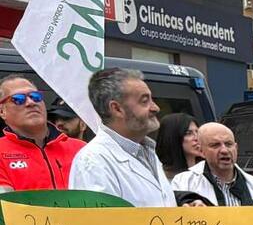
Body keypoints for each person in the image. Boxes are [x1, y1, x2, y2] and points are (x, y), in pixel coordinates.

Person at [68, 68, 175, 206]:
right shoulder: (93, 161)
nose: (155, 108)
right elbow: (100, 224)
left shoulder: (147, 152)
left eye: (151, 99)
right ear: (117, 109)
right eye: (144, 101)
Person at [0, 75, 85, 192]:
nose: (30, 102)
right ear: (2, 111)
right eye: (18, 99)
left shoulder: (81, 149)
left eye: (35, 96)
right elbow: (5, 204)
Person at [155, 112, 202, 180]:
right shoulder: (163, 178)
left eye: (197, 132)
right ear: (173, 138)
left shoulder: (208, 169)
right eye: (188, 133)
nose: (197, 138)